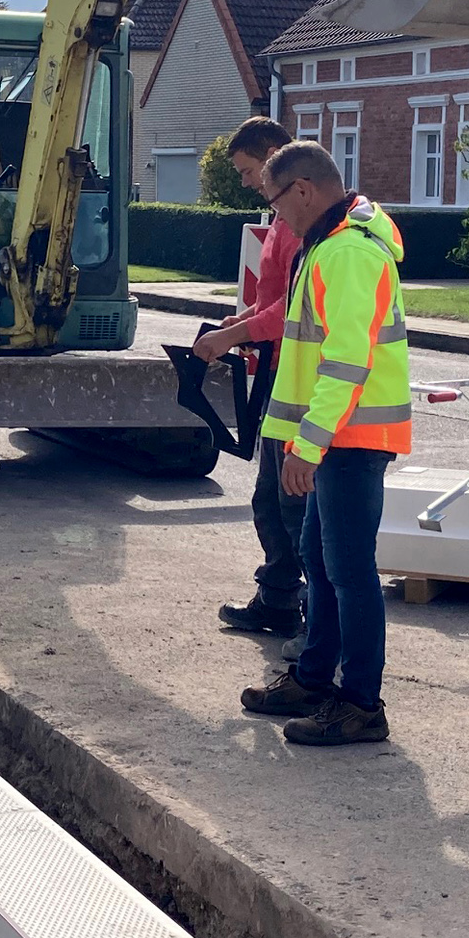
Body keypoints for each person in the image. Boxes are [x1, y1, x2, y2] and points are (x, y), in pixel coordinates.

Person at [236, 142, 411, 747]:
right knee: (319, 557)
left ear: (303, 190)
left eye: (274, 202)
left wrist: (307, 445)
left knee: (348, 571)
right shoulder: (329, 247)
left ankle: (361, 702)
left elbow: (346, 360)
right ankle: (315, 679)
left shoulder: (348, 253)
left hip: (350, 438)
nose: (274, 218)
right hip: (337, 434)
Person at [189, 117, 307, 652]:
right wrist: (231, 331)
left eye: (247, 170)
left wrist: (234, 332)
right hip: (283, 369)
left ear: (275, 156)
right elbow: (269, 305)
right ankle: (281, 599)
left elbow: (293, 311)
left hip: (300, 375)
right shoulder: (283, 224)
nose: (244, 182)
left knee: (286, 499)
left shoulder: (303, 228)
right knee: (270, 498)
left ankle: (297, 604)